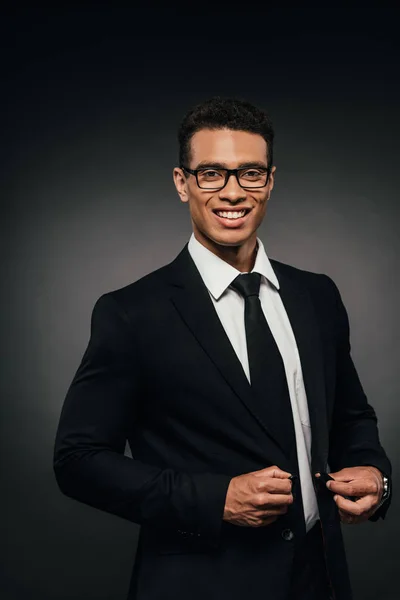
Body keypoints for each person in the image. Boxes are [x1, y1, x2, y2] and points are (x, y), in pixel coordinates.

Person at [53, 96, 392, 600]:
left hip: (319, 580)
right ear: (181, 182)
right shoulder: (131, 312)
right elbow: (77, 461)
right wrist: (216, 499)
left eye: (250, 174)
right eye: (211, 173)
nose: (232, 192)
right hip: (199, 584)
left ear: (270, 181)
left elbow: (351, 417)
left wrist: (376, 475)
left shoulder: (317, 296)